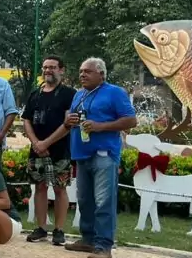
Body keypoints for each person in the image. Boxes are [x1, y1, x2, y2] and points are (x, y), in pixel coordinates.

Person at [63, 58, 137, 258]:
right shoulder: (79, 94)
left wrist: (100, 126)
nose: (82, 75)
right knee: (84, 199)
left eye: (87, 71)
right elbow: (71, 119)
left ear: (101, 74)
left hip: (104, 154)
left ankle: (104, 246)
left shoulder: (115, 92)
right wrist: (68, 120)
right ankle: (88, 240)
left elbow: (131, 120)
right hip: (81, 153)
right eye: (80, 71)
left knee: (103, 201)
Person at [23, 56, 77, 245]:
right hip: (36, 150)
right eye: (45, 67)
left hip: (59, 150)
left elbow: (69, 123)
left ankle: (59, 230)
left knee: (60, 189)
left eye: (52, 67)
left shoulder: (69, 94)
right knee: (39, 188)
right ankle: (41, 228)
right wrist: (36, 143)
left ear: (61, 70)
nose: (48, 71)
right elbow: (26, 120)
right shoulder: (35, 94)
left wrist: (46, 143)